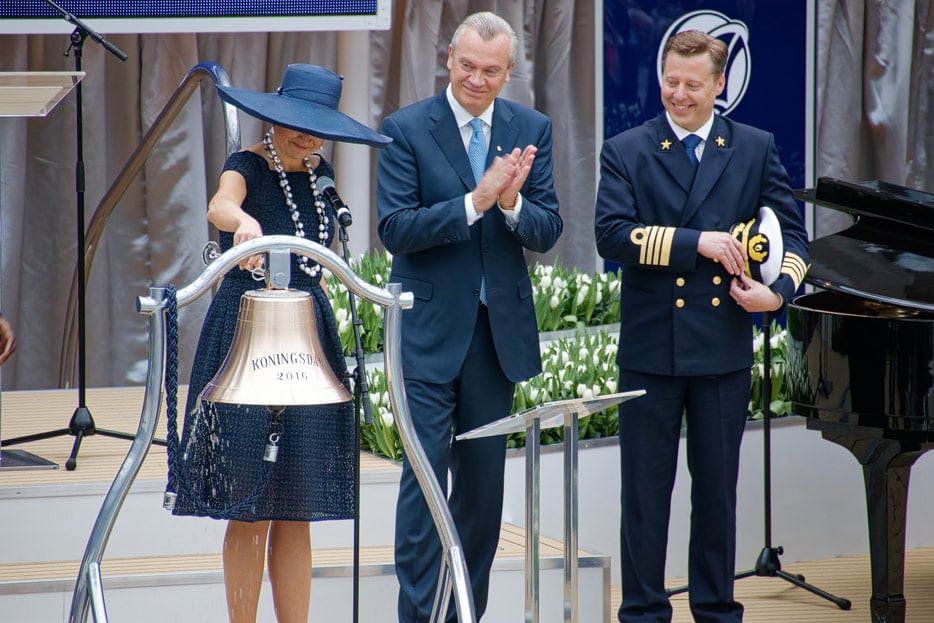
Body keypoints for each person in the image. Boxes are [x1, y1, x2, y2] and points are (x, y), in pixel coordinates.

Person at [594, 30, 809, 623]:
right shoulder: (628, 149)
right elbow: (611, 235)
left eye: (693, 84)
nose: (679, 94)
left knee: (716, 496)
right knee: (644, 497)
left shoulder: (753, 146)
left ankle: (716, 610)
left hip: (722, 349)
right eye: (670, 81)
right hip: (649, 349)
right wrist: (699, 243)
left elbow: (794, 235)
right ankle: (642, 612)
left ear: (720, 85)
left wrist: (778, 293)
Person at [169, 64, 390, 623]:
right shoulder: (246, 165)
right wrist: (241, 222)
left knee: (297, 504)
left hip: (306, 335)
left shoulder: (321, 176)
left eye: (318, 129)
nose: (307, 137)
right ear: (275, 118)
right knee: (249, 505)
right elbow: (219, 204)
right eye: (298, 125)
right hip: (246, 328)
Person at [376, 11, 563, 622]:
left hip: (495, 339)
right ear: (448, 59)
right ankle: (419, 617)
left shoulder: (531, 127)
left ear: (510, 71)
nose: (476, 80)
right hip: (429, 336)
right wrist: (474, 201)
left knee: (484, 495)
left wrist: (510, 205)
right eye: (466, 66)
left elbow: (549, 228)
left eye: (490, 70)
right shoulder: (405, 128)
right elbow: (394, 231)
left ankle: (464, 615)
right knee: (425, 486)